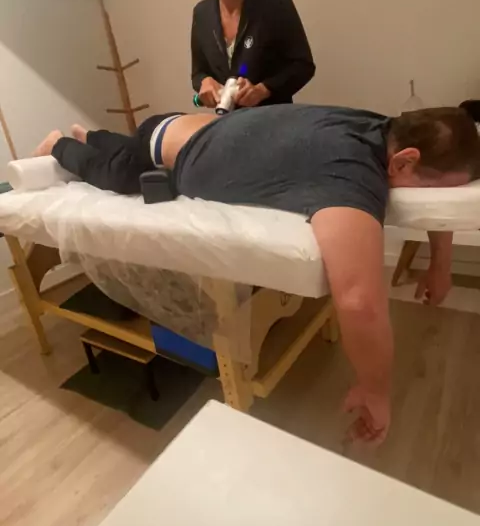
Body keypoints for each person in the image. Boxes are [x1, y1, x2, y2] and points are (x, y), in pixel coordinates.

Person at [35, 105, 479, 444]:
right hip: (163, 151)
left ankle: (92, 135)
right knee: (117, 173)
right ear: (404, 161)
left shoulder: (377, 124)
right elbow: (360, 302)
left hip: (181, 124)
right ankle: (61, 144)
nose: (436, 198)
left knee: (126, 148)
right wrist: (375, 391)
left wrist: (440, 263)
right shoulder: (352, 171)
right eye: (436, 187)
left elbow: (435, 205)